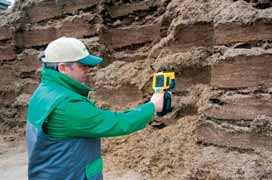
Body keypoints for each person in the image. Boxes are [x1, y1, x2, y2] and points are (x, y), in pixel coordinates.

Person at [26, 37, 164, 180]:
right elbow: (117, 122)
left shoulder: (43, 92)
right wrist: (152, 106)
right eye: (82, 65)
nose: (88, 70)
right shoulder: (66, 105)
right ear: (63, 68)